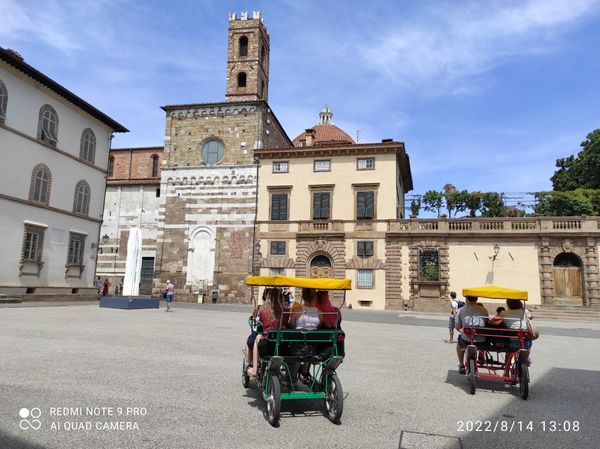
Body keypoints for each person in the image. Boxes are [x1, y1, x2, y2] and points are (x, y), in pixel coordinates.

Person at [247, 288, 285, 378]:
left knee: (258, 337)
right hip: (283, 347)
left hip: (267, 347)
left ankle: (254, 369)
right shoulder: (285, 312)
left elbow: (260, 326)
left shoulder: (263, 311)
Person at [455, 296, 489, 374]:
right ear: (476, 299)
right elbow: (487, 323)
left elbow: (457, 327)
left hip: (467, 340)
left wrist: (462, 331)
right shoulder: (483, 309)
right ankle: (481, 354)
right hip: (482, 341)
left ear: (466, 299)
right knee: (484, 336)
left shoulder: (461, 309)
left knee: (459, 341)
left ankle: (461, 364)